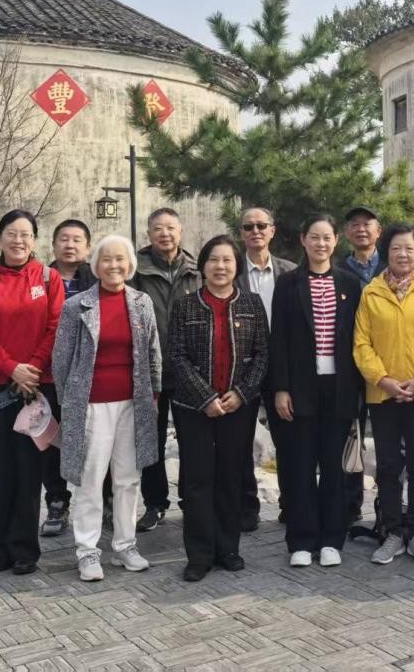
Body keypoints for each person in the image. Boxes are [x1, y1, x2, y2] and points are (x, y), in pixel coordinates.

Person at [51, 234, 160, 581]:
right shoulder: (77, 306)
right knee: (90, 478)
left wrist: (154, 395)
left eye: (120, 259)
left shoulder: (141, 302)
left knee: (128, 478)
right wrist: (70, 405)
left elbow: (153, 352)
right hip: (91, 406)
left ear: (130, 265)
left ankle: (125, 546)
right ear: (96, 265)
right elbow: (61, 360)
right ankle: (87, 551)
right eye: (107, 259)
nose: (114, 265)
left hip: (133, 404)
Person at [0, 209, 63, 575]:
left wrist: (31, 369)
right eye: (11, 233)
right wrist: (12, 369)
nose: (18, 240)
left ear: (34, 240)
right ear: (0, 237)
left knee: (30, 466)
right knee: (4, 464)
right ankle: (0, 549)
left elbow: (56, 327)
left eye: (25, 234)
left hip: (38, 384)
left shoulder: (49, 278)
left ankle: (25, 550)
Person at [165, 235, 269, 581]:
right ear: (203, 265)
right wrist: (205, 397)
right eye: (213, 260)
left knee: (230, 477)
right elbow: (177, 356)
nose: (220, 266)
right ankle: (199, 554)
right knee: (197, 479)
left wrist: (241, 393)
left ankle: (228, 548)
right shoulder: (185, 305)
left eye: (227, 260)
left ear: (236, 266)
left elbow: (262, 355)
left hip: (238, 406)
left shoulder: (252, 303)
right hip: (193, 407)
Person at [354, 223, 414, 566]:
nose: (403, 254)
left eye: (409, 248)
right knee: (388, 466)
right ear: (386, 251)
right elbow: (361, 344)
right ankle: (392, 532)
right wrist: (383, 380)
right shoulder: (371, 293)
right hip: (383, 394)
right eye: (396, 248)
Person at [269, 214, 363, 567]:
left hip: (339, 387)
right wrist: (281, 388)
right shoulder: (288, 284)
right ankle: (301, 540)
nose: (320, 244)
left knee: (334, 468)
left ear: (336, 241)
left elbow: (358, 338)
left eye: (327, 237)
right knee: (300, 466)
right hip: (300, 388)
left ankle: (331, 539)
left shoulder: (350, 283)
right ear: (303, 240)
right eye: (314, 237)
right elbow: (279, 338)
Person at [130, 208, 200, 533]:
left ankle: (191, 500)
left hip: (188, 371)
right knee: (151, 442)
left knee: (192, 440)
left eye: (171, 227)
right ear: (149, 234)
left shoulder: (196, 270)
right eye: (158, 228)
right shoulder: (135, 271)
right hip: (149, 371)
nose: (165, 234)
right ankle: (155, 503)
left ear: (180, 231)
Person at [235, 207, 296, 532]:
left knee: (288, 440)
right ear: (241, 233)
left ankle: (291, 503)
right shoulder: (232, 271)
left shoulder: (290, 272)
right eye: (249, 227)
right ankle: (247, 507)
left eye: (262, 225)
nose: (255, 231)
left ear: (272, 230)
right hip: (242, 368)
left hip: (281, 367)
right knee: (241, 440)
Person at [40, 218, 96, 538]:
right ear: (53, 245)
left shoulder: (98, 279)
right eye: (64, 238)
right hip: (49, 375)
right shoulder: (40, 279)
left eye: (77, 240)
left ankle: (103, 499)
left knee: (95, 438)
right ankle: (57, 501)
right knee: (53, 439)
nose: (70, 245)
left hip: (90, 376)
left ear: (88, 247)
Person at [337, 205, 383, 524]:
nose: (361, 229)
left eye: (367, 224)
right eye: (354, 224)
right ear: (346, 233)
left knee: (390, 439)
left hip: (389, 368)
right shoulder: (338, 270)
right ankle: (350, 503)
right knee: (351, 434)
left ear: (379, 231)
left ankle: (389, 504)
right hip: (351, 368)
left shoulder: (393, 266)